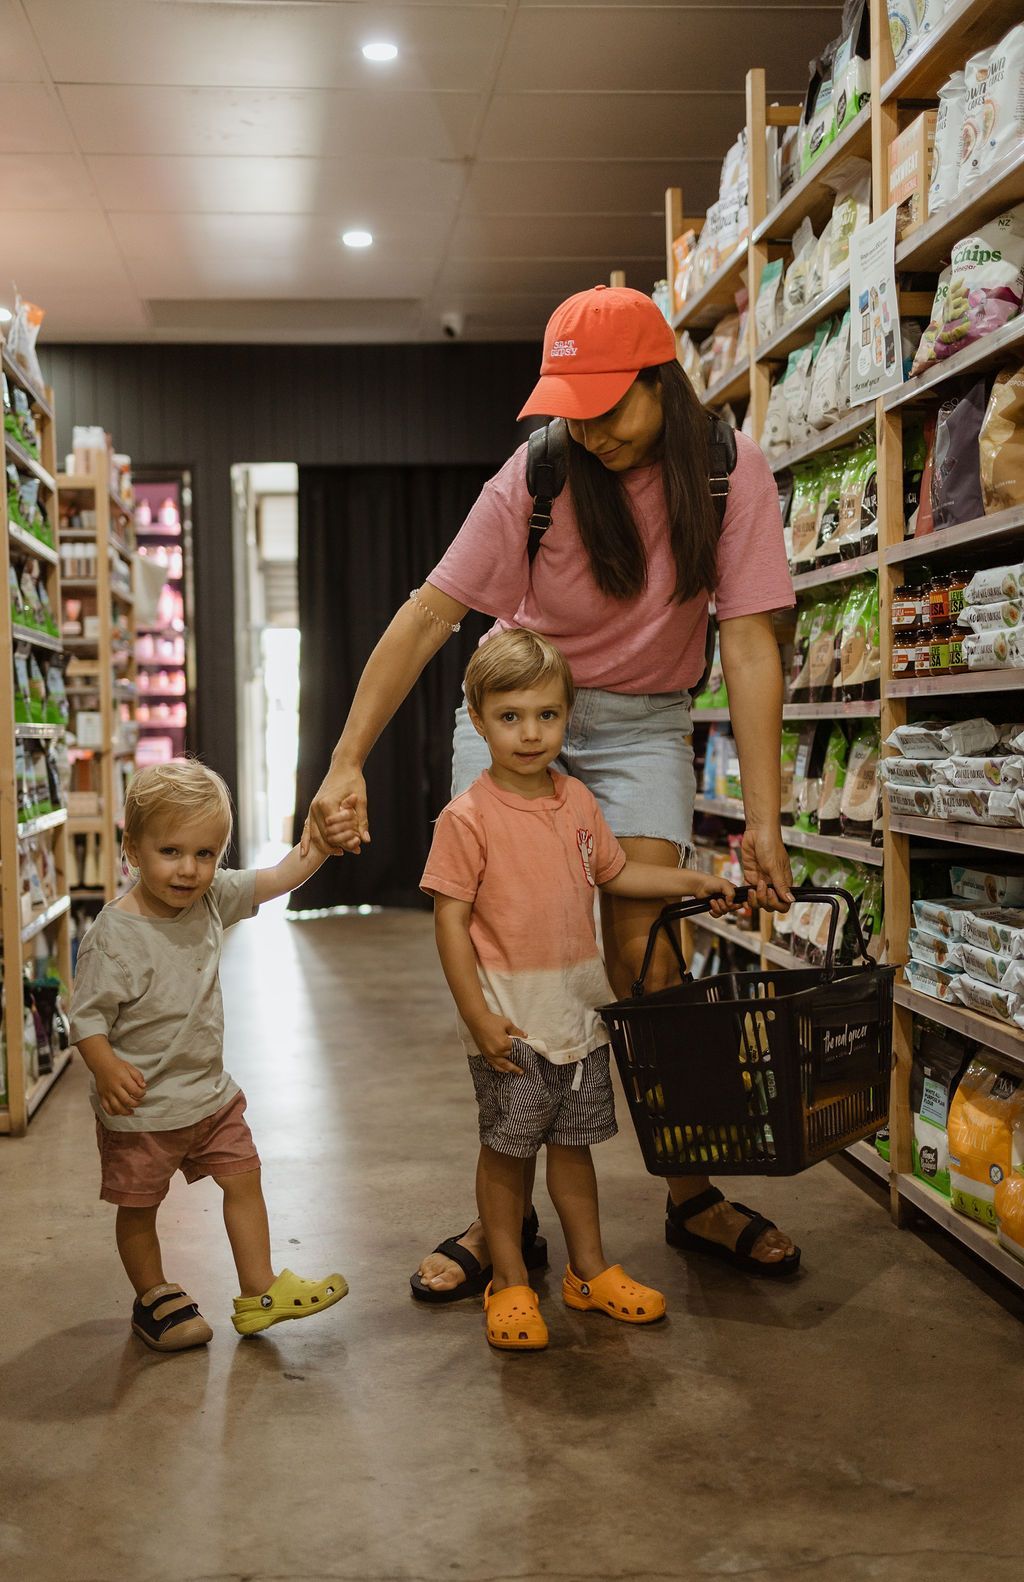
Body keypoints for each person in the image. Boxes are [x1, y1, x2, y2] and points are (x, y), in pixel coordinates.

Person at [304, 283, 799, 1294]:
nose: (594, 429)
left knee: (645, 958)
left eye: (611, 405)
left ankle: (692, 1193)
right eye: (575, 406)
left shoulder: (725, 473)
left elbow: (749, 645)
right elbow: (429, 615)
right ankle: (506, 1218)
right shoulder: (538, 473)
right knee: (507, 967)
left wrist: (762, 818)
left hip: (645, 729)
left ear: (662, 380)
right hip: (523, 725)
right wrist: (343, 759)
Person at [416, 629, 740, 1350]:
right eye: (510, 716)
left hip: (576, 1016)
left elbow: (618, 876)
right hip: (511, 1022)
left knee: (573, 1148)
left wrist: (694, 879)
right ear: (478, 719)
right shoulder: (466, 819)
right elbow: (450, 921)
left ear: (568, 717)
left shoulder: (578, 802)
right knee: (507, 1153)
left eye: (547, 716)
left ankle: (587, 1270)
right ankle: (509, 1281)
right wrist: (476, 1014)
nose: (530, 734)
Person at [71, 759, 350, 1353]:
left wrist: (319, 844)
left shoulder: (211, 899)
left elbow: (278, 878)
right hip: (142, 1108)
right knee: (140, 1207)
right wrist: (105, 1065)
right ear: (133, 849)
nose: (189, 870)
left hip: (209, 1096)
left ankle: (259, 1289)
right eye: (171, 851)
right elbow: (87, 1017)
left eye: (206, 853)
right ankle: (153, 1296)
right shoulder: (112, 938)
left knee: (244, 1176)